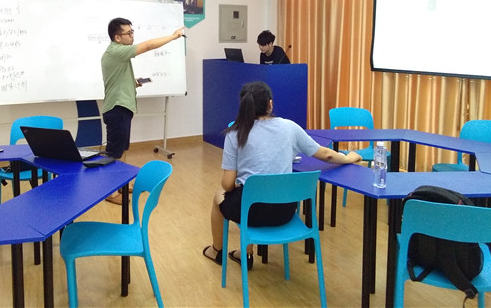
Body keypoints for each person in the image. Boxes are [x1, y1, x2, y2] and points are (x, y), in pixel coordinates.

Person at [202, 81, 362, 269]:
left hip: (250, 213)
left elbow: (228, 184)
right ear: (270, 104)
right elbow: (326, 154)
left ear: (244, 105)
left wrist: (238, 184)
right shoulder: (290, 127)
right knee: (255, 191)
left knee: (223, 195)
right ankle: (244, 253)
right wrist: (348, 158)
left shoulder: (235, 133)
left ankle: (217, 250)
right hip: (285, 211)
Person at [101, 17, 184, 204]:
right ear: (117, 37)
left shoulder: (117, 53)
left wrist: (133, 83)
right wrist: (173, 37)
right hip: (117, 108)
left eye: (132, 32)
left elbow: (117, 80)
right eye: (128, 33)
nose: (132, 36)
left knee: (121, 151)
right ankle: (110, 193)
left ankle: (120, 184)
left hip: (122, 108)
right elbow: (147, 46)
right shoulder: (116, 51)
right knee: (114, 153)